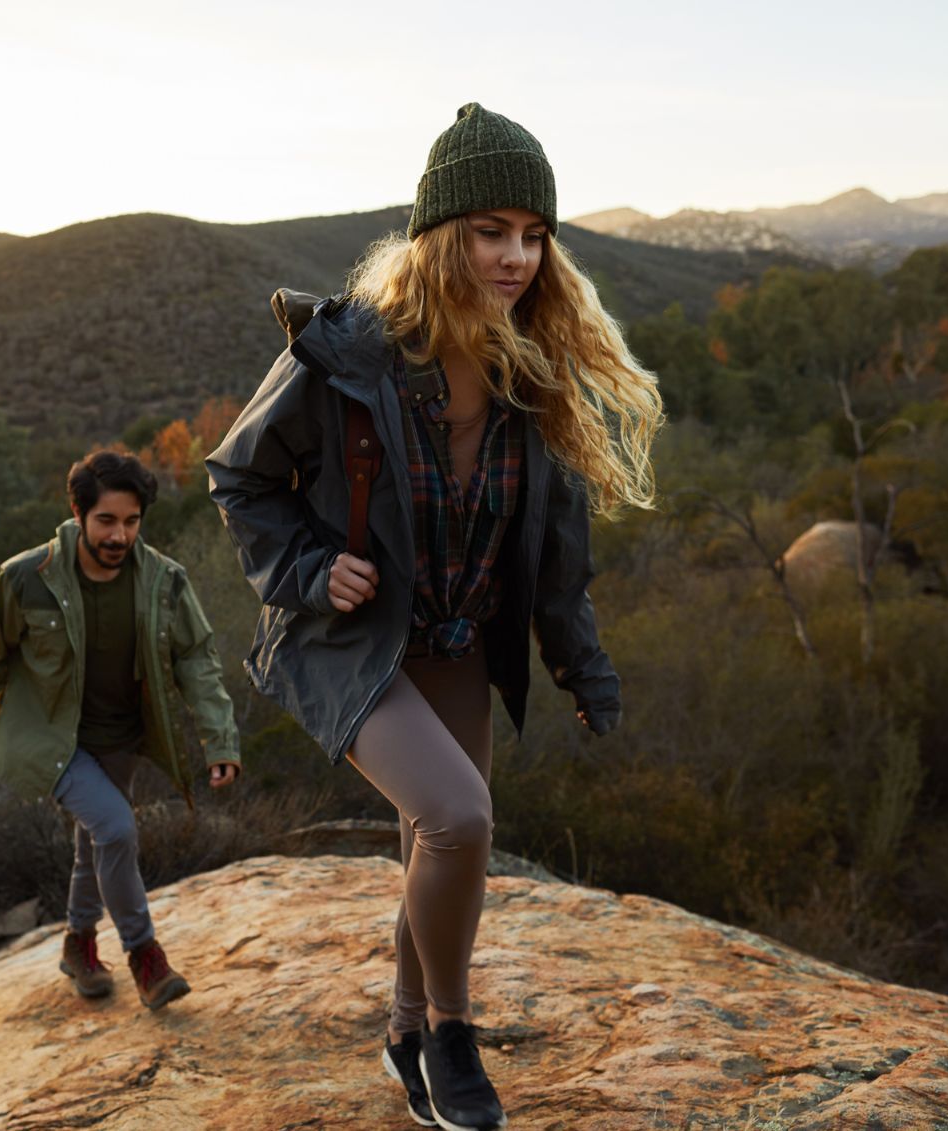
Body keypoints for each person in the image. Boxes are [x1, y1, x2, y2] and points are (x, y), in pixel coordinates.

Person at [206, 103, 662, 1130]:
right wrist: (310, 572)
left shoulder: (529, 368)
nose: (514, 257)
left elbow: (555, 559)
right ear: (438, 233)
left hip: (459, 638)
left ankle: (405, 1032)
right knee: (457, 820)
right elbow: (239, 480)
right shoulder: (347, 354)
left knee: (433, 833)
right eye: (489, 231)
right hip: (354, 645)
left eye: (533, 236)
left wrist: (581, 669)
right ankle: (455, 1035)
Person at [0, 449, 241, 1011]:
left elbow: (197, 662)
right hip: (50, 740)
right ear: (79, 514)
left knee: (96, 845)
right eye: (107, 520)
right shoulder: (24, 579)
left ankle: (78, 945)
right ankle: (145, 956)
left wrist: (219, 738)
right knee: (115, 830)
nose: (119, 535)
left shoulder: (164, 581)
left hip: (119, 740)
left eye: (131, 521)